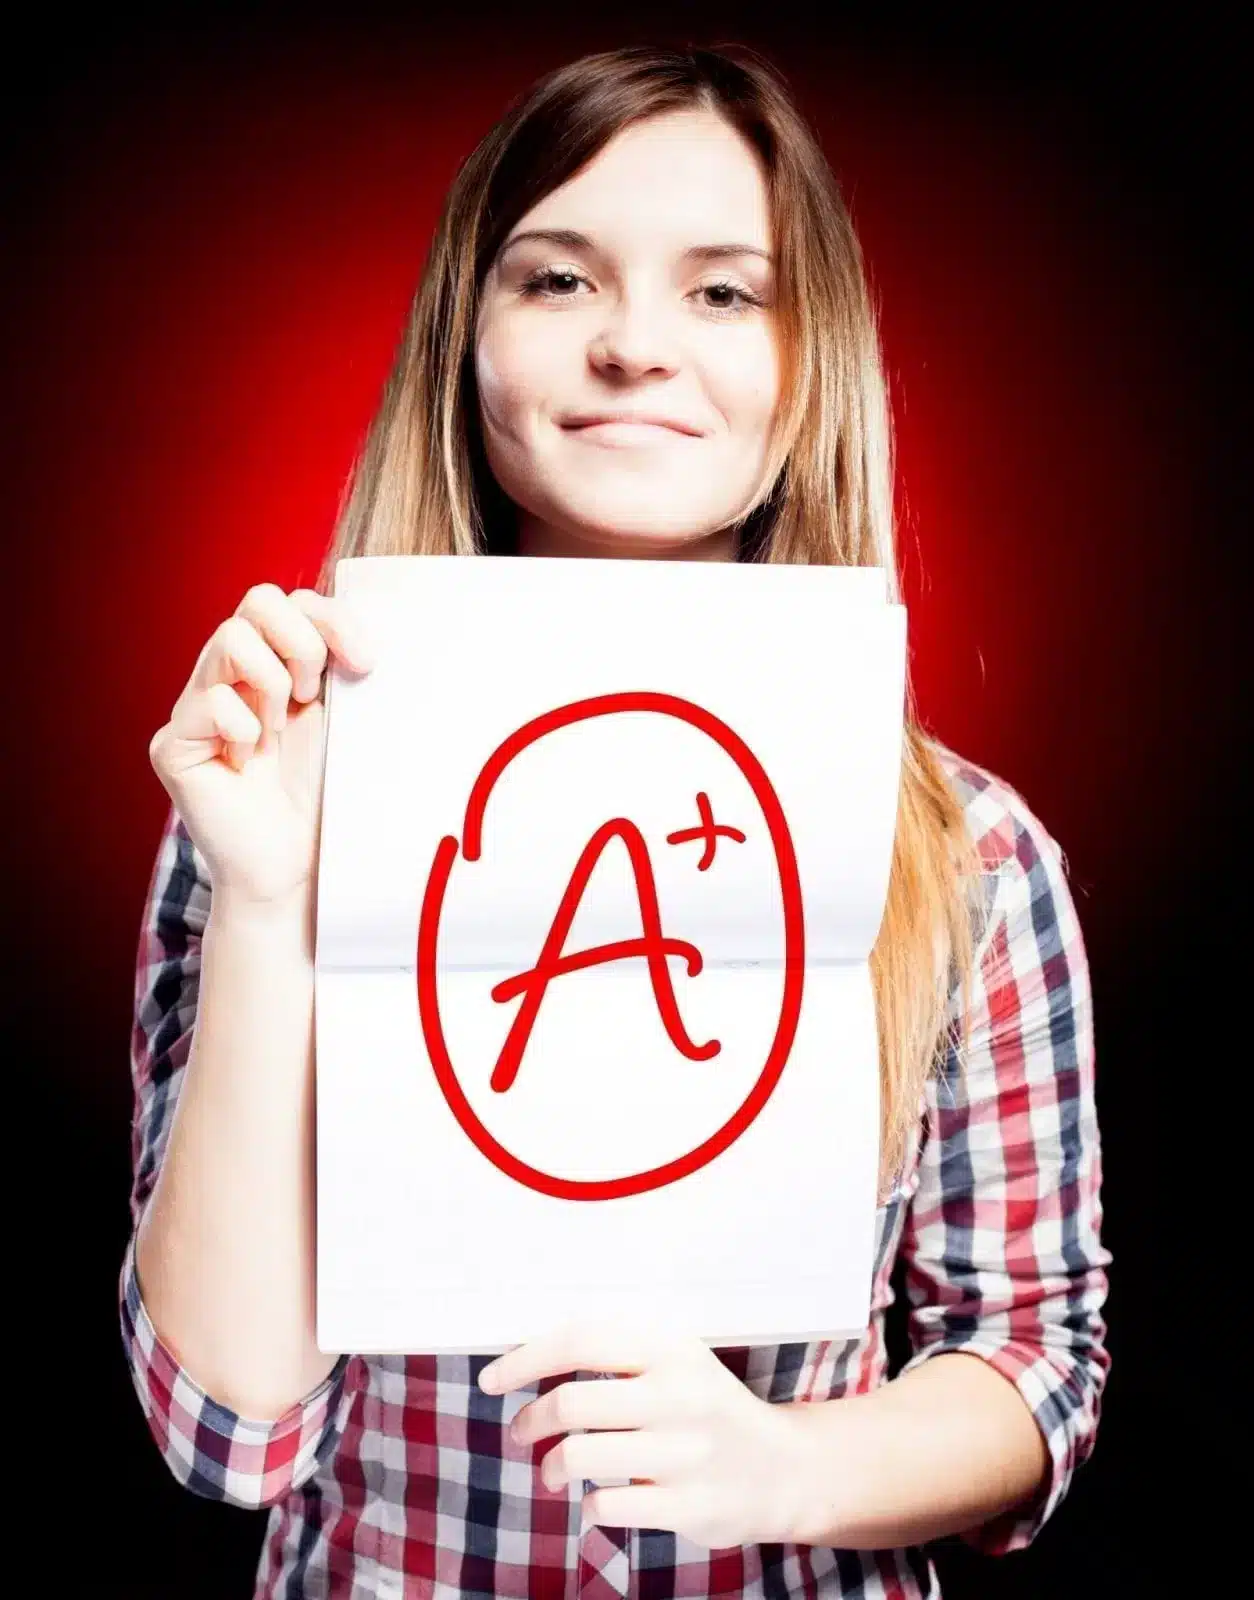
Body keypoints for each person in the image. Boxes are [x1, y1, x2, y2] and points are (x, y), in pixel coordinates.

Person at [122, 42, 1111, 1600]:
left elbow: (1033, 1362)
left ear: (808, 358)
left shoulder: (967, 854)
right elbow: (229, 1433)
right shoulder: (272, 792)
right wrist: (265, 906)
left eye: (723, 291)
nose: (634, 346)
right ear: (466, 339)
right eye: (558, 278)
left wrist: (782, 1467)